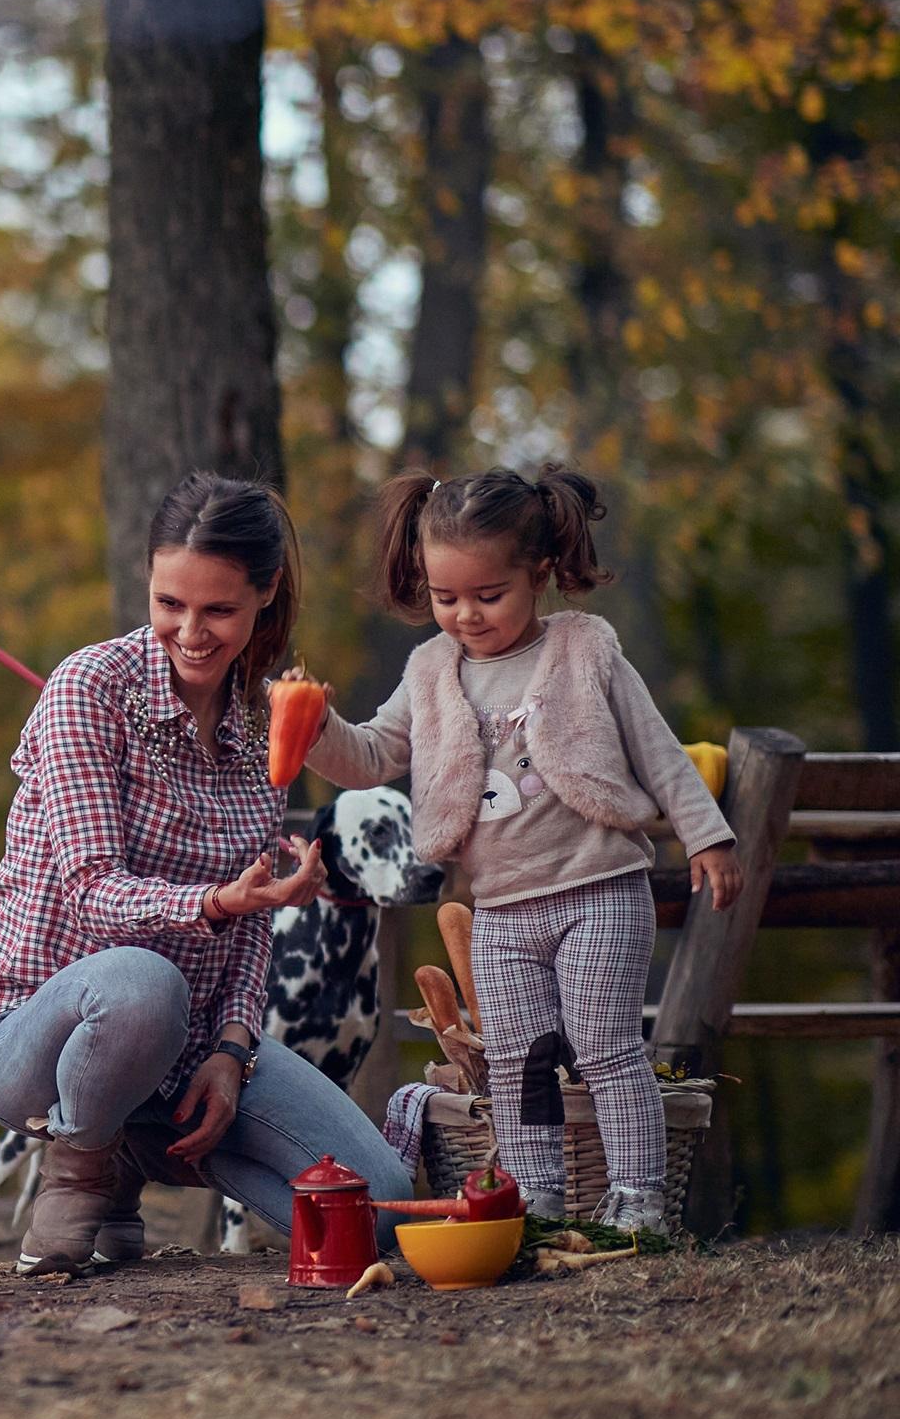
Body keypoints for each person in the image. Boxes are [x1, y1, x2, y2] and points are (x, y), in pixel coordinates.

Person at [0, 473, 414, 1274]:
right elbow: (93, 894)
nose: (190, 632)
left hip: (192, 1051)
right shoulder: (89, 691)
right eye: (169, 603)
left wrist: (234, 1052)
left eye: (218, 610)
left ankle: (148, 1148)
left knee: (373, 1207)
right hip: (36, 1042)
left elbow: (252, 928)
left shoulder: (262, 726)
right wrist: (213, 899)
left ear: (266, 595)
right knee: (143, 983)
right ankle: (82, 1161)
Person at [304, 467, 739, 1235]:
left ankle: (638, 1198)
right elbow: (371, 755)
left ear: (538, 575)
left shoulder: (584, 649)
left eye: (487, 595)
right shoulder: (432, 671)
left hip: (599, 888)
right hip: (501, 908)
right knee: (518, 1061)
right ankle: (529, 1199)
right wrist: (316, 726)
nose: (465, 616)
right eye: (445, 598)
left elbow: (658, 749)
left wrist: (706, 835)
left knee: (605, 1048)